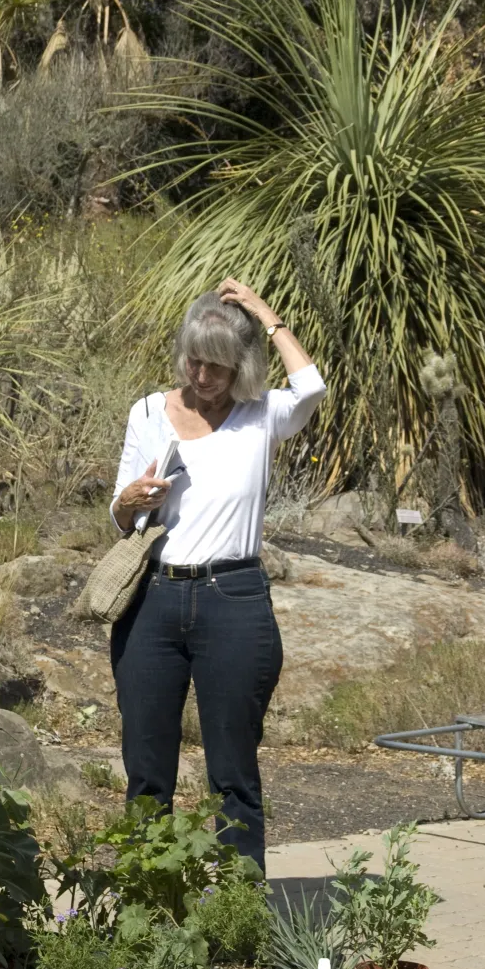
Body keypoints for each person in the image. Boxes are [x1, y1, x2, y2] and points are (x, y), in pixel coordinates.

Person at [109, 279, 326, 872]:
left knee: (233, 771)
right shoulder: (149, 412)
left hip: (234, 598)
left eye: (218, 367)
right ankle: (149, 904)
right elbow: (119, 516)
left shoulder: (264, 416)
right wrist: (130, 498)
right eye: (194, 361)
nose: (202, 376)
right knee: (146, 767)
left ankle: (236, 916)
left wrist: (262, 312)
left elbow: (311, 385)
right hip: (152, 599)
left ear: (242, 368)